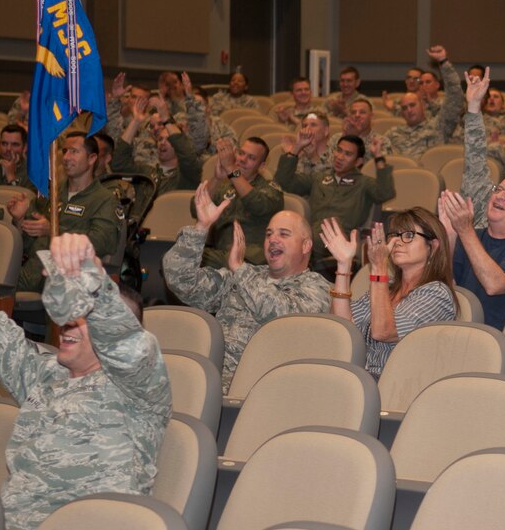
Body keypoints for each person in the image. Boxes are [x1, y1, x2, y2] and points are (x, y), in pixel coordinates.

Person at [0, 233, 171, 530]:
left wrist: (93, 282)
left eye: (86, 317)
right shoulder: (43, 374)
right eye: (71, 313)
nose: (69, 323)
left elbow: (125, 342)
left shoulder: (139, 390)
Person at [164, 184, 331, 391]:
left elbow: (285, 319)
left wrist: (240, 270)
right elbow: (181, 281)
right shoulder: (243, 275)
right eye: (269, 234)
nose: (272, 240)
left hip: (262, 391)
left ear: (306, 246)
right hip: (209, 382)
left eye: (284, 234)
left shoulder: (317, 287)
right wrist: (201, 228)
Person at [439, 68, 505, 330]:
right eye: (499, 189)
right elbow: (447, 285)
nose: (499, 196)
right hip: (459, 331)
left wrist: (463, 230)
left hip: (496, 343)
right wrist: (448, 232)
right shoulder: (475, 235)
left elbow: (494, 284)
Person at [320, 209, 457, 377]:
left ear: (433, 246)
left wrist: (379, 267)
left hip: (398, 387)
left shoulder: (437, 293)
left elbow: (383, 331)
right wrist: (343, 264)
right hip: (361, 377)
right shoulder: (387, 287)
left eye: (408, 235)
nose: (397, 242)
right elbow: (343, 327)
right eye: (394, 235)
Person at [8, 132, 121, 292]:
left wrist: (54, 230)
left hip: (68, 279)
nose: (66, 157)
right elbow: (28, 244)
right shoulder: (51, 193)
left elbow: (101, 244)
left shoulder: (104, 200)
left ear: (92, 158)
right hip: (32, 271)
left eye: (74, 151)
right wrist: (20, 220)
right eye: (65, 151)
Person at [275, 134, 396, 269]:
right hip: (313, 236)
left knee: (294, 244)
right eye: (338, 150)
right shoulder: (319, 178)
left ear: (358, 161)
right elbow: (284, 182)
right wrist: (296, 149)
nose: (340, 157)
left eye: (348, 154)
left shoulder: (363, 183)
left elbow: (385, 192)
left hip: (340, 239)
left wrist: (378, 157)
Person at [192, 136, 282, 269]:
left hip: (251, 257)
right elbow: (195, 210)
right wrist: (217, 179)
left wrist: (231, 170)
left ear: (262, 166)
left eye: (251, 158)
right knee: (177, 260)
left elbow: (257, 204)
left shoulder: (270, 188)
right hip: (219, 254)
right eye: (241, 153)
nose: (242, 160)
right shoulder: (224, 185)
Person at [384, 46, 464, 160]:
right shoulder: (393, 134)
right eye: (404, 108)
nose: (409, 110)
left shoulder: (438, 126)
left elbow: (455, 97)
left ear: (423, 105)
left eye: (412, 105)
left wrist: (444, 62)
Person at [112, 95, 201, 197]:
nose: (162, 143)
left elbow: (188, 157)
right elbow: (118, 164)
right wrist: (136, 121)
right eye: (160, 139)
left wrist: (166, 120)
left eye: (168, 139)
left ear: (177, 143)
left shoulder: (186, 176)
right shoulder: (146, 173)